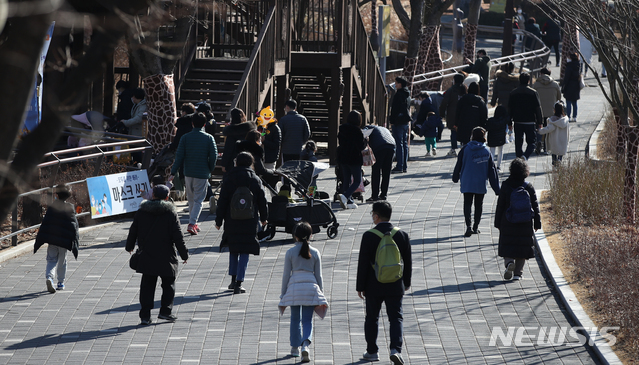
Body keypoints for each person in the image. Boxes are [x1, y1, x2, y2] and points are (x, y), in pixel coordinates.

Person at [357, 201, 412, 365]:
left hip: (373, 285)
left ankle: (372, 351)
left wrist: (360, 286)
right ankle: (396, 349)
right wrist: (406, 282)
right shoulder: (401, 234)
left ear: (376, 216)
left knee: (372, 317)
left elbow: (363, 263)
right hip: (395, 283)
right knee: (396, 317)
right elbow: (407, 262)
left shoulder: (369, 235)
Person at [125, 184, 189, 325]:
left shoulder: (142, 212)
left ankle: (145, 316)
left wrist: (129, 247)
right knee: (168, 283)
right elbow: (178, 236)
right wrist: (184, 254)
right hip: (166, 255)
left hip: (147, 254)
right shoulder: (170, 213)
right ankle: (166, 312)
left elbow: (133, 231)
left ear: (152, 196)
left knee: (147, 285)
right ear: (167, 197)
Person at [215, 152, 268, 294]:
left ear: (236, 162)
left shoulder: (229, 178)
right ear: (251, 163)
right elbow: (262, 201)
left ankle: (232, 280)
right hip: (250, 220)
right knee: (245, 250)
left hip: (231, 219)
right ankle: (240, 281)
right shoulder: (255, 179)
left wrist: (218, 220)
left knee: (234, 249)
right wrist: (264, 218)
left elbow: (222, 201)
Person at [278, 221, 328, 362]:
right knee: (307, 320)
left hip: (294, 288)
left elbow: (286, 275)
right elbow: (319, 275)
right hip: (311, 288)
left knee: (295, 319)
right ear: (310, 235)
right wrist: (321, 292)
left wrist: (283, 293)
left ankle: (295, 348)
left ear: (295, 236)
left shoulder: (290, 253)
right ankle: (306, 345)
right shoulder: (315, 252)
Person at [169, 112, 218, 235]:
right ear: (204, 124)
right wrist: (210, 168)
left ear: (192, 123)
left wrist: (173, 172)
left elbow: (179, 156)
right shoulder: (209, 138)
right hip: (202, 172)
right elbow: (214, 156)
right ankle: (192, 223)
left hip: (188, 172)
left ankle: (194, 223)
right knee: (198, 200)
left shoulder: (185, 138)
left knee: (191, 199)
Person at [495, 158, 541, 281]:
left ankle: (509, 262)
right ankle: (517, 273)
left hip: (508, 220)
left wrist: (497, 222)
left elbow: (500, 205)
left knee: (508, 244)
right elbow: (535, 206)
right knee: (522, 247)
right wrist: (537, 223)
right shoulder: (528, 187)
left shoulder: (505, 185)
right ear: (525, 171)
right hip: (525, 222)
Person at [452, 127, 500, 237]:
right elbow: (492, 171)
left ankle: (468, 226)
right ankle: (476, 226)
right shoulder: (486, 151)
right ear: (484, 137)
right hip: (480, 182)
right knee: (479, 205)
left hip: (467, 181)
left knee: (467, 204)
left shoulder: (465, 149)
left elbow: (458, 164)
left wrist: (455, 177)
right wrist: (497, 189)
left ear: (472, 136)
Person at [34, 184, 79, 293]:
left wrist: (39, 240)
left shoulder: (52, 207)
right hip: (64, 242)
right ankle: (61, 282)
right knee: (62, 261)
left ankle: (49, 277)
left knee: (51, 259)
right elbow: (74, 226)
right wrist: (75, 244)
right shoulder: (70, 208)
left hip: (53, 240)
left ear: (57, 195)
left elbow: (45, 224)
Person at [508, 72, 543, 160]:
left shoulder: (513, 93)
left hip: (517, 121)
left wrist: (509, 122)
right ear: (528, 81)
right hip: (530, 121)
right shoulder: (533, 93)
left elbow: (509, 109)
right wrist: (540, 122)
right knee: (532, 142)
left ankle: (519, 159)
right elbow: (538, 109)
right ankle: (525, 156)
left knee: (518, 143)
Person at [337, 110, 366, 209]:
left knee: (346, 179)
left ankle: (349, 201)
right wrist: (365, 140)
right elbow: (361, 147)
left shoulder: (342, 129)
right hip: (354, 158)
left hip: (343, 157)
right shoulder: (358, 131)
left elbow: (341, 142)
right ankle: (345, 196)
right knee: (357, 180)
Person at [533, 67, 562, 154]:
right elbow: (559, 98)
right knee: (549, 130)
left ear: (541, 74)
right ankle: (546, 148)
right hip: (551, 111)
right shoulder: (555, 84)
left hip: (539, 111)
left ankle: (538, 141)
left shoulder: (536, 85)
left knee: (539, 127)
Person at [364, 122, 395, 202]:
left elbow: (363, 136)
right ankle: (383, 195)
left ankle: (374, 196)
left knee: (376, 171)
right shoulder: (383, 128)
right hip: (391, 146)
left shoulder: (368, 127)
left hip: (379, 147)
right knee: (386, 172)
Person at [221, 108, 256, 173]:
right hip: (248, 161)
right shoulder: (249, 130)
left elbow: (228, 150)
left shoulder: (231, 132)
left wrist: (224, 164)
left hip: (233, 162)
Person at [439, 73, 466, 157]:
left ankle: (453, 149)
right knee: (463, 131)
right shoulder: (465, 89)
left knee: (453, 131)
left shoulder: (451, 90)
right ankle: (463, 147)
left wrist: (441, 113)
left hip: (452, 114)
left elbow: (444, 102)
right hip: (463, 113)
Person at [389, 77, 411, 173]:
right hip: (405, 121)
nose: (395, 84)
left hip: (398, 121)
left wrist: (392, 120)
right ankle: (404, 166)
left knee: (399, 144)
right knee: (404, 144)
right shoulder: (407, 94)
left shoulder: (398, 95)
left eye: (396, 83)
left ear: (400, 84)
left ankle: (399, 165)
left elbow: (395, 109)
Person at [455, 82, 488, 146]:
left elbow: (457, 112)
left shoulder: (463, 99)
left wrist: (456, 123)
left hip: (463, 126)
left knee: (465, 145)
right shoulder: (480, 101)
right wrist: (484, 127)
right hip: (476, 128)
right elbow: (484, 115)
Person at [538, 101, 570, 166]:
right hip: (563, 140)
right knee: (561, 152)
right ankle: (559, 160)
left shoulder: (553, 120)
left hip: (554, 140)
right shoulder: (565, 120)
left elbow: (548, 129)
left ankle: (555, 162)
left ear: (554, 110)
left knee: (554, 152)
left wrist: (539, 130)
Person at [485, 106, 508, 171]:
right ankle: (498, 166)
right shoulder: (504, 120)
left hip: (492, 138)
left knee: (492, 152)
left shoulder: (490, 120)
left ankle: (491, 166)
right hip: (501, 138)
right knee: (500, 151)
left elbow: (486, 128)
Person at [562, 52, 581, 123]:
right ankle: (575, 116)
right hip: (576, 86)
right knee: (575, 102)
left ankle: (568, 116)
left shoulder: (569, 67)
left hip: (569, 85)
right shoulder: (578, 66)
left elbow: (566, 78)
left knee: (568, 102)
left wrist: (563, 86)